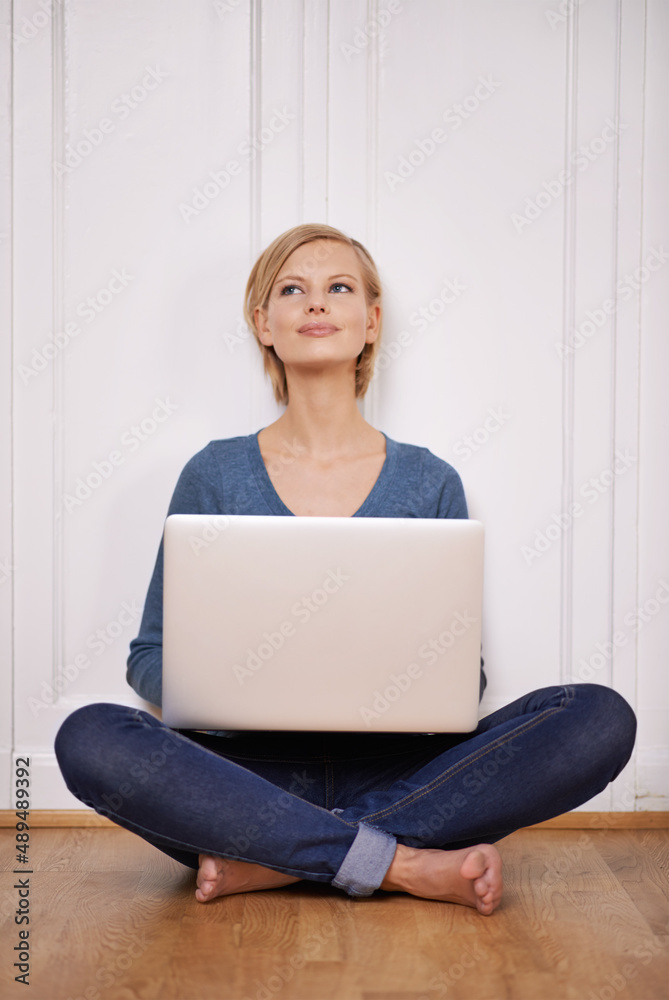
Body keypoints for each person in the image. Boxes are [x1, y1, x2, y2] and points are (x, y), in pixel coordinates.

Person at [55, 223, 636, 916]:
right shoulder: (213, 474)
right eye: (292, 290)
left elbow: (463, 676)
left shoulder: (429, 482)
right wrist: (226, 680)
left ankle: (280, 858)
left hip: (405, 771)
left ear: (371, 321)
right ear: (262, 323)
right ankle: (400, 861)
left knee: (597, 718)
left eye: (339, 288)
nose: (317, 303)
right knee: (88, 736)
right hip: (244, 776)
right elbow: (147, 656)